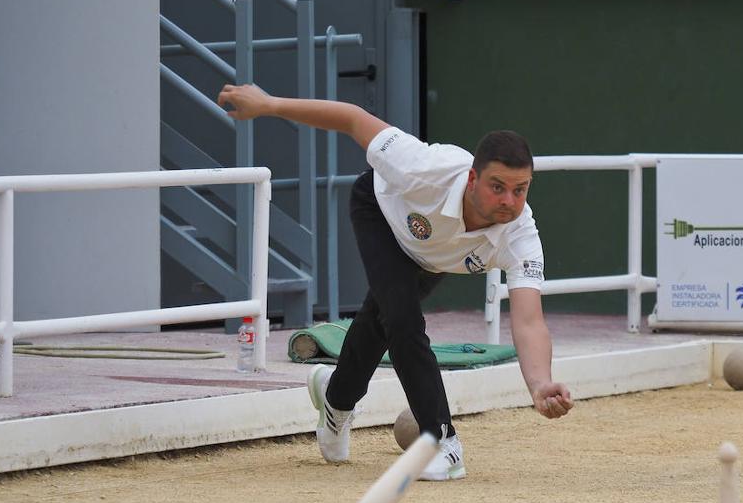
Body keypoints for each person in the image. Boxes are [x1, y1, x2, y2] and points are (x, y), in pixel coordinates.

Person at [217, 84, 574, 477]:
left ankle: (335, 399)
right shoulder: (422, 167)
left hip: (430, 257)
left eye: (519, 190)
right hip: (381, 213)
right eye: (497, 187)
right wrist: (270, 104)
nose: (508, 201)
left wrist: (539, 384)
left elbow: (528, 321)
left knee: (382, 323)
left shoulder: (521, 235)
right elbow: (353, 117)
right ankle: (442, 442)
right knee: (402, 320)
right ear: (472, 178)